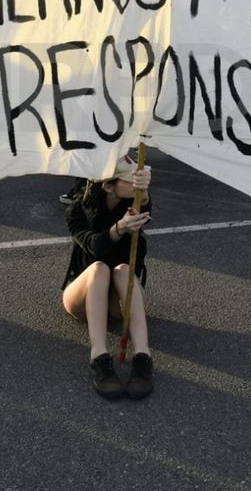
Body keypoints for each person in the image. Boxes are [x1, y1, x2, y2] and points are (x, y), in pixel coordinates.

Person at [61, 153, 154, 400]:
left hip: (118, 303)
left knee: (123, 270)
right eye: (131, 181)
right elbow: (94, 246)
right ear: (108, 185)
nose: (135, 185)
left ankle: (143, 356)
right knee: (100, 267)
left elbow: (145, 204)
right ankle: (99, 356)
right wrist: (119, 229)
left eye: (138, 181)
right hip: (83, 296)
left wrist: (144, 192)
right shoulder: (77, 210)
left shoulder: (132, 205)